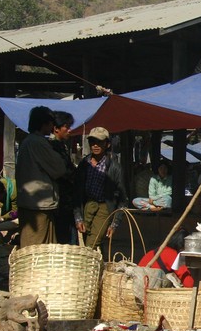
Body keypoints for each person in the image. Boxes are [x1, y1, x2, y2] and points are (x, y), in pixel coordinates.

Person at [15, 106, 67, 247]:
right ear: (44, 124)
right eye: (50, 124)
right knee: (37, 247)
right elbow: (59, 168)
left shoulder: (27, 142)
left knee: (37, 245)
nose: (52, 128)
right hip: (38, 204)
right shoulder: (38, 142)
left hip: (30, 202)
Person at [73, 127, 128, 249]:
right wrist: (78, 217)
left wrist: (114, 223)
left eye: (100, 142)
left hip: (104, 206)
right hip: (87, 204)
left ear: (107, 144)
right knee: (86, 237)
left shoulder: (114, 167)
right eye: (92, 142)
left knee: (92, 244)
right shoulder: (84, 164)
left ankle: (87, 266)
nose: (95, 145)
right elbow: (76, 192)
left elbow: (122, 198)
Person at [49, 110, 76, 244]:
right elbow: (63, 172)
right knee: (65, 239)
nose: (70, 130)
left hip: (66, 200)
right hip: (61, 200)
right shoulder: (54, 146)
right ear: (56, 128)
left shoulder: (61, 146)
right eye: (67, 126)